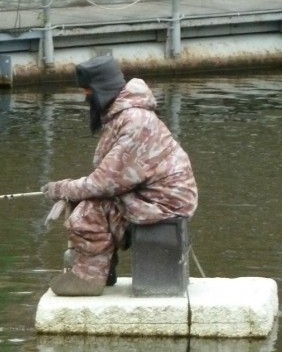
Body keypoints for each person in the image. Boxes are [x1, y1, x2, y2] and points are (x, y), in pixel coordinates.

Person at [41, 54, 198, 296]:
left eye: (87, 91)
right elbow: (112, 177)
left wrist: (62, 188)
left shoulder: (135, 121)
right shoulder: (125, 116)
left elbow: (104, 183)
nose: (85, 97)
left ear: (100, 89)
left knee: (89, 211)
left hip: (163, 203)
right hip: (154, 196)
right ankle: (103, 269)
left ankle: (89, 278)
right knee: (91, 201)